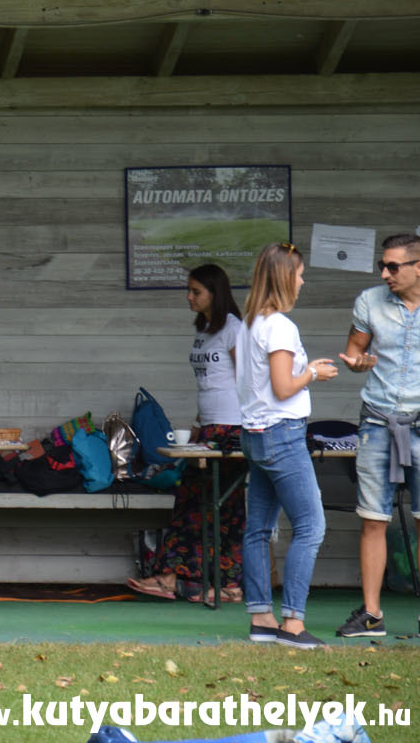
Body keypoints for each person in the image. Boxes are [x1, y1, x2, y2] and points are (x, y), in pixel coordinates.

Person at [236, 241, 338, 650]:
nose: (302, 279)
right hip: (282, 433)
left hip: (254, 435)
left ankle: (261, 617)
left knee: (257, 529)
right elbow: (282, 388)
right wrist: (312, 372)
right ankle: (293, 625)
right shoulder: (279, 326)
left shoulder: (248, 325)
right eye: (298, 273)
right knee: (311, 527)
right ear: (283, 277)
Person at [128, 264, 246, 602]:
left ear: (215, 293)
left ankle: (228, 584)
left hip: (232, 429)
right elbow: (210, 382)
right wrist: (197, 426)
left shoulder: (234, 330)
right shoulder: (205, 331)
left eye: (196, 291)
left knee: (226, 508)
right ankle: (179, 579)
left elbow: (247, 381)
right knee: (191, 502)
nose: (189, 296)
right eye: (189, 290)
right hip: (207, 427)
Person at [334, 233, 420, 640]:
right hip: (377, 422)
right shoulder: (369, 301)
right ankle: (371, 614)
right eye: (382, 266)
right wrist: (357, 364)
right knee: (373, 518)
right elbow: (354, 352)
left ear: (418, 267)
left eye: (393, 266)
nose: (384, 273)